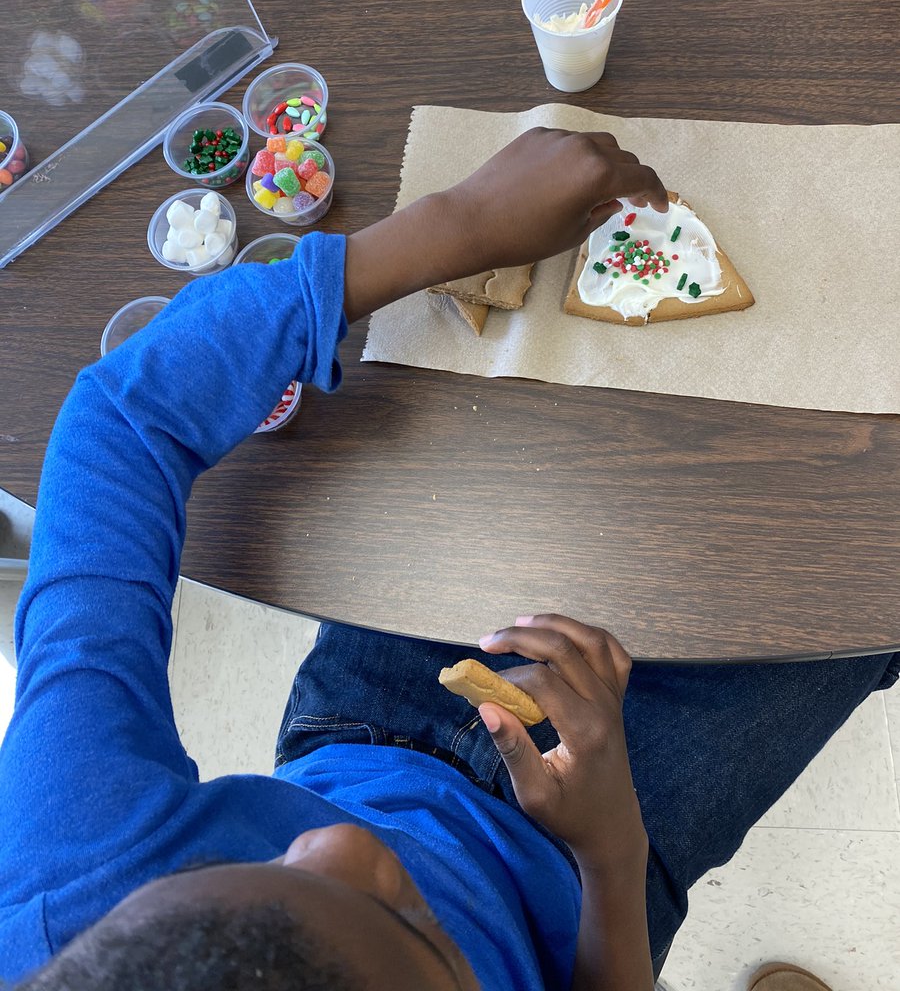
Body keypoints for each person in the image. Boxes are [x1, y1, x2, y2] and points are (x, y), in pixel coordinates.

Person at [0, 128, 895, 990]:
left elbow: (123, 421)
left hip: (371, 723)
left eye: (262, 862)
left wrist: (453, 225)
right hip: (588, 872)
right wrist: (610, 847)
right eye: (414, 922)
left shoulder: (63, 879)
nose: (346, 844)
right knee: (868, 595)